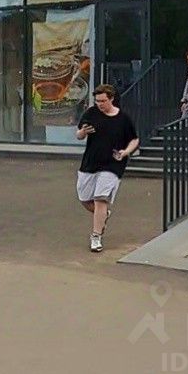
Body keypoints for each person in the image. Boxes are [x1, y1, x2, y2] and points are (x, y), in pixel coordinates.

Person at [75, 84, 140, 253]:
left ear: (111, 99)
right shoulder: (91, 113)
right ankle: (104, 215)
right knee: (84, 199)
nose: (100, 104)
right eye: (97, 101)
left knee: (100, 198)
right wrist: (83, 132)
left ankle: (96, 236)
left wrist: (126, 152)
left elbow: (134, 140)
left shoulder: (123, 119)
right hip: (90, 162)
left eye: (103, 101)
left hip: (113, 164)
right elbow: (79, 135)